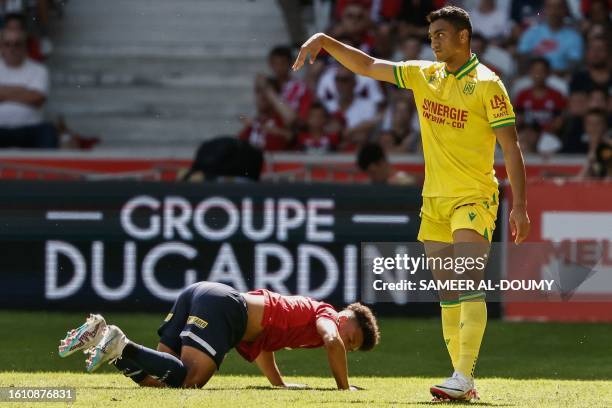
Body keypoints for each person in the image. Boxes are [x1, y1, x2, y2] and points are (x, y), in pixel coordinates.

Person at [293, 5, 530, 402]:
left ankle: (462, 374)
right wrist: (325, 41)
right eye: (431, 34)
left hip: (474, 196)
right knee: (448, 294)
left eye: (441, 33)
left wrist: (520, 205)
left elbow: (512, 146)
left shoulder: (488, 84)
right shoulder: (424, 74)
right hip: (434, 199)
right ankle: (462, 381)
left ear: (463, 37)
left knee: (469, 284)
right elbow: (368, 66)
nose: (433, 40)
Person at [59, 282, 380, 390]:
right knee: (190, 380)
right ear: (345, 316)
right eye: (353, 339)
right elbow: (333, 340)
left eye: (353, 348)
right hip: (226, 307)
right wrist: (344, 388)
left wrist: (279, 385)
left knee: (162, 379)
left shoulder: (303, 322)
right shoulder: (326, 314)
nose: (348, 347)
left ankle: (104, 337)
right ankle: (119, 342)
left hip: (203, 294)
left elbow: (262, 348)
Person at [0, 26, 57, 148]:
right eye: (7, 44)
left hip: (31, 129)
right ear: (1, 47)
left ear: (25, 47)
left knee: (48, 131)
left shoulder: (39, 70)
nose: (12, 48)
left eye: (17, 44)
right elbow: (31, 95)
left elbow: (37, 98)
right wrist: (23, 91)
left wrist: (3, 92)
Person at [517, 0, 583, 74]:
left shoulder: (574, 37)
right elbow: (522, 59)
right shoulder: (531, 33)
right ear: (544, 9)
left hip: (561, 79)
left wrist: (547, 74)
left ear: (565, 10)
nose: (554, 12)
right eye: (550, 7)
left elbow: (573, 66)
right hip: (533, 78)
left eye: (558, 7)